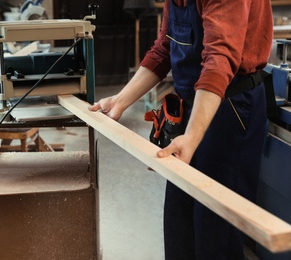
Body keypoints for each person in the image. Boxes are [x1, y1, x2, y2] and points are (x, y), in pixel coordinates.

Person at [89, 0, 273, 259]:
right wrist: (119, 101)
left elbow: (219, 59)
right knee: (179, 228)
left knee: (215, 235)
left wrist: (192, 137)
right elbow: (165, 48)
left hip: (231, 110)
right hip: (192, 109)